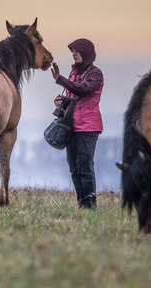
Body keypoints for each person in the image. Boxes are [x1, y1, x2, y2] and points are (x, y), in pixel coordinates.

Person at [51, 38, 104, 209]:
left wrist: (60, 79)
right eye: (72, 51)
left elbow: (82, 90)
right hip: (70, 127)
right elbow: (73, 96)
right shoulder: (74, 74)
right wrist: (62, 101)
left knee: (85, 168)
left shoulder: (96, 74)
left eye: (77, 50)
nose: (74, 53)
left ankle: (90, 205)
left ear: (86, 52)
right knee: (74, 168)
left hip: (88, 128)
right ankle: (82, 204)